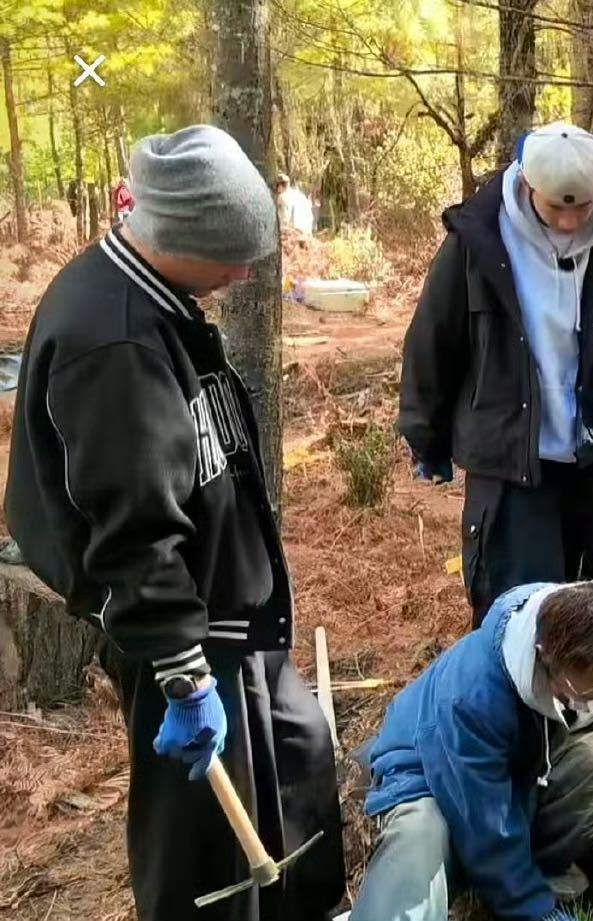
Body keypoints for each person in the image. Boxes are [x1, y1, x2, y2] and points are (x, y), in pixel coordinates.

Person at [5, 124, 346, 921]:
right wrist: (183, 674)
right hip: (178, 630)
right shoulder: (114, 341)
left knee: (297, 767)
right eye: (232, 255)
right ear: (182, 237)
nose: (243, 271)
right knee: (205, 852)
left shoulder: (163, 301)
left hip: (231, 608)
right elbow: (129, 532)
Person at [399, 121, 593, 634]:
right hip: (510, 457)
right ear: (528, 186)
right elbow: (433, 341)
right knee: (519, 613)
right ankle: (520, 715)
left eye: (581, 208)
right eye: (557, 207)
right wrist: (426, 439)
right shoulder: (478, 242)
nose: (570, 220)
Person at [353, 581, 593, 921]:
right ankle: (505, 893)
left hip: (522, 773)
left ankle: (527, 880)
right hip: (430, 779)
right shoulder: (472, 696)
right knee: (421, 836)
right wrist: (537, 911)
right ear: (545, 658)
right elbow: (485, 824)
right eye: (589, 690)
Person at [275, 173, 316, 237]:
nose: (276, 189)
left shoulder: (282, 197)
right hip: (306, 234)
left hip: (294, 236)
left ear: (280, 185)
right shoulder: (300, 195)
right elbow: (311, 217)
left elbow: (284, 222)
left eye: (277, 186)